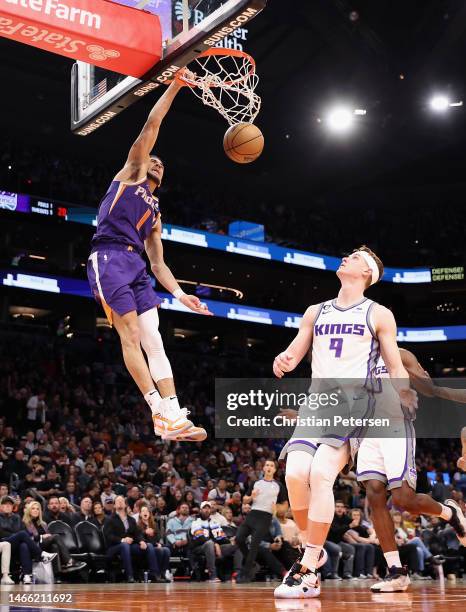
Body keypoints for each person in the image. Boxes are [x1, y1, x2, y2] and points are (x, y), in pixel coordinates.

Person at [273, 246, 418, 599]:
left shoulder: (379, 314)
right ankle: (315, 549)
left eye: (354, 256)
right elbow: (295, 352)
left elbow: (395, 364)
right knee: (294, 475)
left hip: (355, 405)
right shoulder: (315, 311)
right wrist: (285, 359)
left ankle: (306, 569)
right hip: (316, 403)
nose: (346, 258)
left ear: (366, 272)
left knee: (322, 473)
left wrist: (402, 393)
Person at [87, 68, 210, 444]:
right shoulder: (131, 174)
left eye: (162, 164)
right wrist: (176, 84)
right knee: (131, 335)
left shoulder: (155, 213)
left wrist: (180, 294)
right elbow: (152, 124)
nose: (157, 163)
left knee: (154, 337)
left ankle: (172, 412)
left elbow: (158, 263)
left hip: (137, 267)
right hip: (107, 258)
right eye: (154, 160)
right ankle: (157, 409)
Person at [357, 348, 466, 592]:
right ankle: (396, 571)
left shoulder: (400, 354)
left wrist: (419, 379)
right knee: (374, 495)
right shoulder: (356, 354)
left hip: (397, 426)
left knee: (403, 500)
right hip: (367, 431)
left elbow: (430, 391)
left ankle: (449, 512)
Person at [236, 459, 288, 583]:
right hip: (252, 514)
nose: (269, 467)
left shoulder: (279, 486)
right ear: (263, 468)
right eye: (267, 465)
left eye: (272, 466)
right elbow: (244, 500)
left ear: (275, 470)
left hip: (266, 517)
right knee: (239, 538)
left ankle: (245, 573)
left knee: (254, 544)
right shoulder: (255, 483)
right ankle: (253, 564)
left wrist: (278, 508)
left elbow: (285, 505)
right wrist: (251, 497)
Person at [103, 495, 160, 583]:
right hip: (114, 547)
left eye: (122, 501)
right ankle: (130, 575)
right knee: (125, 545)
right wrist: (122, 540)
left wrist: (141, 541)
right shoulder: (110, 519)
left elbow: (137, 533)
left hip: (129, 546)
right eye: (118, 501)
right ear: (114, 505)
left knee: (148, 545)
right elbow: (109, 536)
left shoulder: (131, 519)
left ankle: (155, 574)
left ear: (125, 505)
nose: (120, 502)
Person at [0, 495, 56, 584]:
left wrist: (15, 535)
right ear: (1, 506)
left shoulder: (16, 517)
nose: (7, 506)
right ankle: (41, 554)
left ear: (13, 507)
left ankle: (27, 575)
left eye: (10, 504)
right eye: (4, 504)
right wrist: (15, 535)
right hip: (2, 542)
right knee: (22, 534)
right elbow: (3, 533)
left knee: (24, 545)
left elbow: (18, 531)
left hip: (14, 543)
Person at [22, 501, 86, 574]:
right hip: (33, 546)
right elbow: (27, 538)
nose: (36, 510)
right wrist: (41, 536)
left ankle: (57, 575)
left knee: (54, 546)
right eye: (33, 508)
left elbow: (48, 536)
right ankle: (69, 561)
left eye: (37, 509)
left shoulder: (43, 524)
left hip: (43, 545)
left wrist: (45, 537)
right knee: (56, 536)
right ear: (29, 510)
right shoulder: (25, 522)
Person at [190, 501, 242, 582]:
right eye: (204, 508)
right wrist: (215, 544)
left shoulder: (214, 523)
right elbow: (200, 538)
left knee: (236, 546)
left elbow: (221, 538)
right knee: (209, 543)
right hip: (200, 548)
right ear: (200, 510)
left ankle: (237, 574)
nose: (207, 510)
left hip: (215, 547)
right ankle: (212, 575)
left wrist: (230, 541)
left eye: (208, 508)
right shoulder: (196, 522)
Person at [137, 505, 171, 582]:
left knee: (166, 550)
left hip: (153, 545)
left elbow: (158, 538)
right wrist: (145, 532)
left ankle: (162, 573)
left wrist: (158, 544)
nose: (145, 512)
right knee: (160, 550)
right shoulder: (138, 525)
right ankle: (155, 574)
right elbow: (139, 538)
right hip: (144, 548)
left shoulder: (154, 525)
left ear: (149, 513)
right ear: (140, 514)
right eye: (143, 511)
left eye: (147, 511)